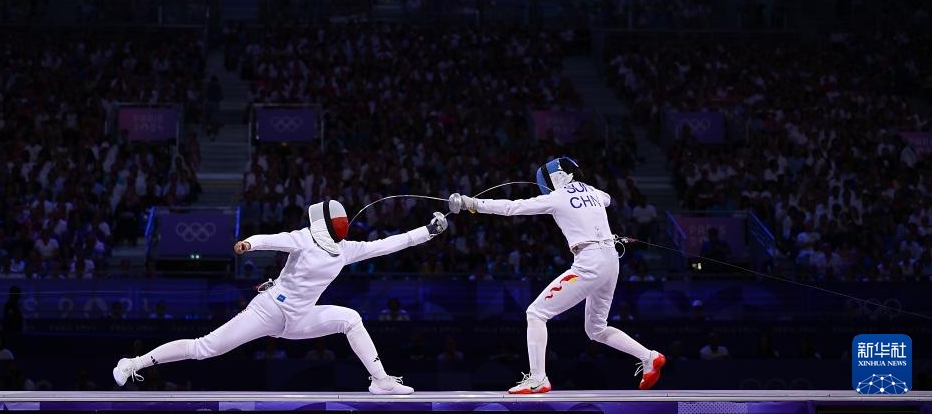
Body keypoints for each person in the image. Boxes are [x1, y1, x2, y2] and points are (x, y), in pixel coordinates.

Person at [112, 200, 448, 394]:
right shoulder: (303, 239)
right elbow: (271, 239)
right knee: (205, 348)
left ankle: (381, 381)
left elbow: (389, 244)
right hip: (269, 310)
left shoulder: (347, 250)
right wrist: (249, 244)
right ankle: (133, 364)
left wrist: (428, 232)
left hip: (299, 319)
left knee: (351, 319)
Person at [450, 156, 664, 393]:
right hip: (611, 261)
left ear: (556, 177)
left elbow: (512, 207)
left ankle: (538, 378)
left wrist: (472, 203)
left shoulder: (557, 197)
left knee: (536, 313)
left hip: (590, 262)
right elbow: (608, 199)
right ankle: (649, 357)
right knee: (595, 328)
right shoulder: (594, 192)